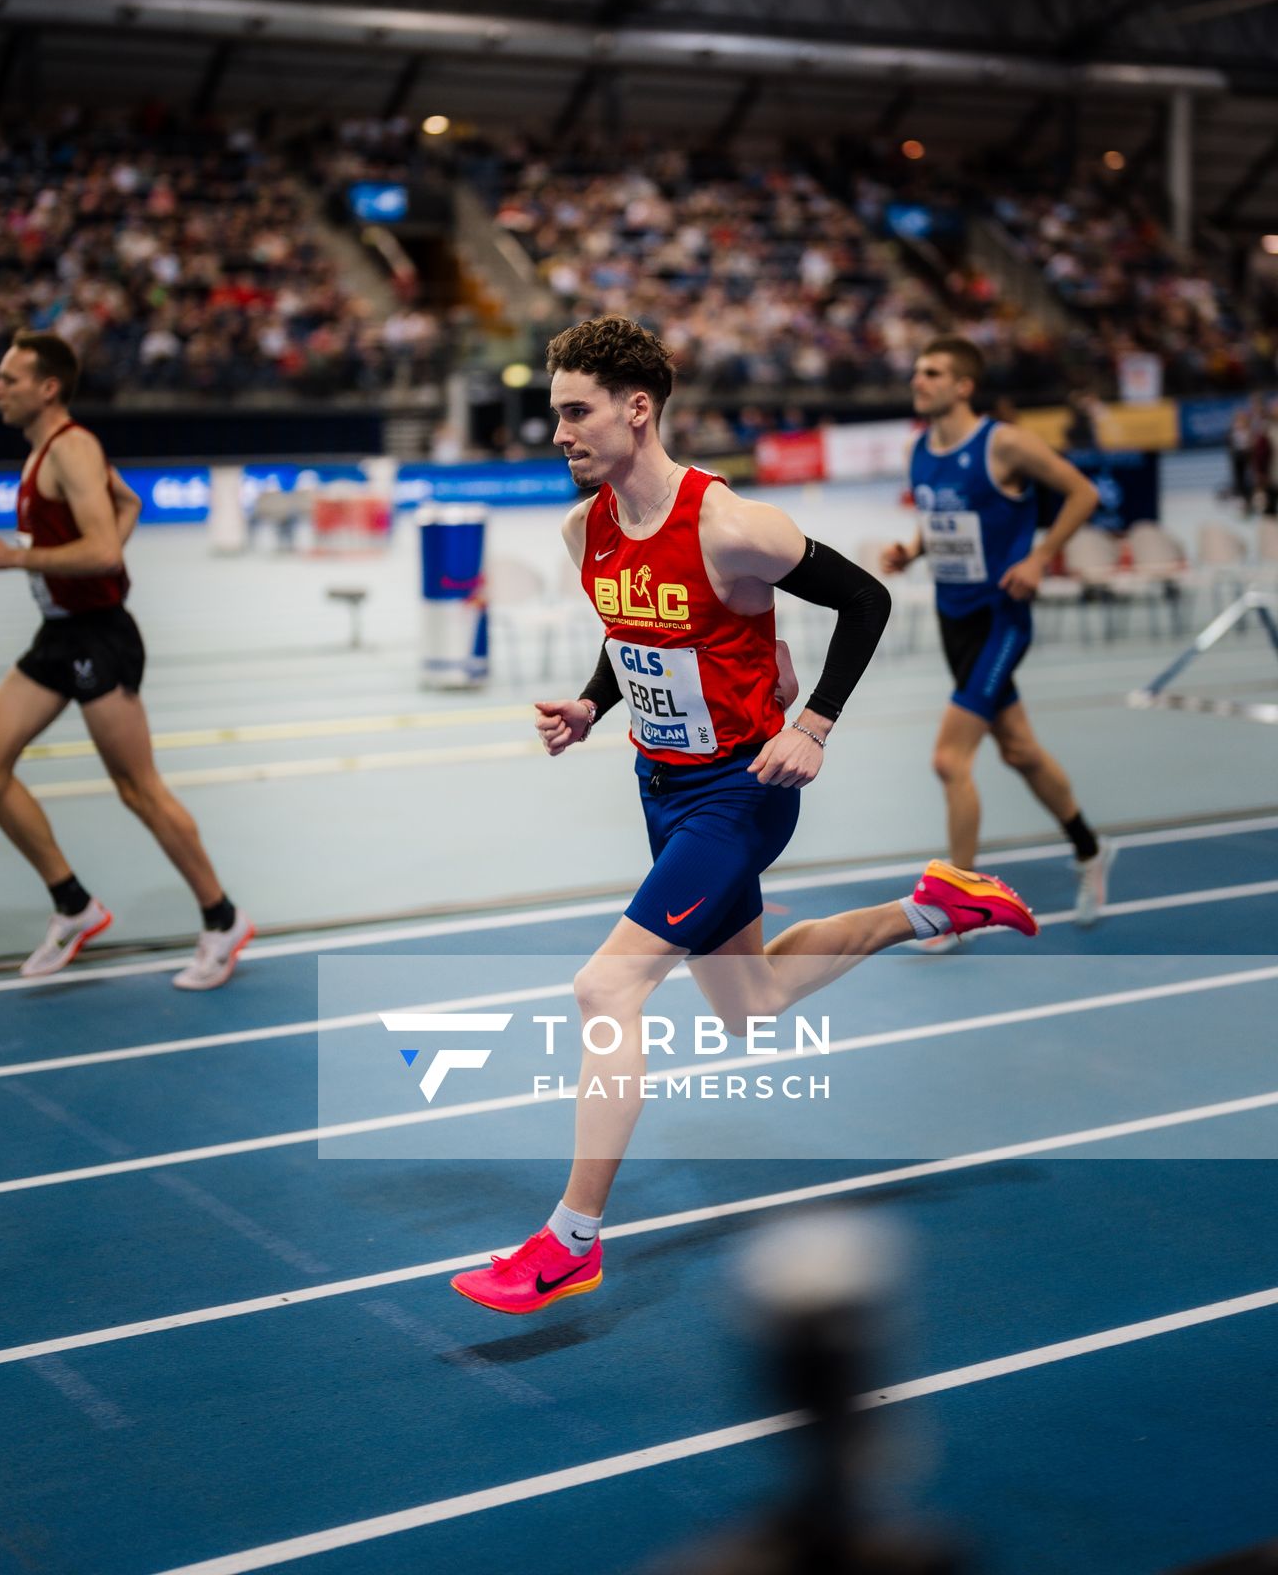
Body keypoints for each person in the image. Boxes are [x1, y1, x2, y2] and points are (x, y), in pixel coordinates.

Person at [451, 316, 1036, 1315]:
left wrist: (813, 722)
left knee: (604, 992)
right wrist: (592, 703)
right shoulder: (580, 527)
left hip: (738, 795)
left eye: (575, 411)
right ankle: (933, 905)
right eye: (554, 414)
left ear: (637, 410)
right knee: (750, 1003)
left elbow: (863, 601)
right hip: (659, 786)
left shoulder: (730, 524)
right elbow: (630, 629)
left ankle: (571, 1240)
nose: (558, 432)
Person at [0, 331, 253, 987]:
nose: (0, 390)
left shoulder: (72, 448)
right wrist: (72, 579)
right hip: (61, 633)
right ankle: (73, 906)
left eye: (10, 380)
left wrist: (21, 557)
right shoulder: (40, 453)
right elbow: (129, 504)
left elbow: (106, 550)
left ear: (47, 387)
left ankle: (222, 920)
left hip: (99, 639)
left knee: (138, 789)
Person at [881, 335, 1109, 949]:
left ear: (963, 386)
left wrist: (1040, 556)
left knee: (949, 760)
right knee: (1021, 752)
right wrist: (911, 550)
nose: (918, 379)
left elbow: (1083, 493)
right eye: (917, 370)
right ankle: (1091, 850)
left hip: (1002, 620)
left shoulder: (1003, 443)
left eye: (932, 372)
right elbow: (941, 519)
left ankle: (958, 911)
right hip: (954, 621)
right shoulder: (919, 452)